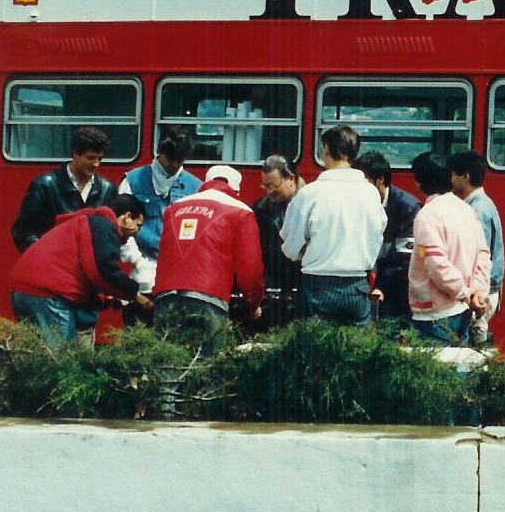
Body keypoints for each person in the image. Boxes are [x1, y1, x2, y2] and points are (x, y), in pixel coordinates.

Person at [8, 193, 151, 347]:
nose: (137, 232)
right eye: (138, 225)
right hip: (47, 293)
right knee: (61, 361)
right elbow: (103, 271)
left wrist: (105, 298)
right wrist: (135, 294)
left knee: (36, 356)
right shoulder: (104, 225)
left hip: (24, 290)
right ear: (127, 217)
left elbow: (86, 272)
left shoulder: (89, 222)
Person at [280, 126, 386, 326]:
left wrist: (303, 251)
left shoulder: (310, 193)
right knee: (355, 351)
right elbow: (377, 237)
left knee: (315, 352)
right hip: (357, 284)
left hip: (317, 284)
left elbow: (290, 242)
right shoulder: (370, 193)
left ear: (326, 149)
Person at [153, 165, 264, 353]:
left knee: (168, 365)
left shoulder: (174, 208)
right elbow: (250, 269)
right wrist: (253, 304)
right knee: (207, 369)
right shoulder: (241, 210)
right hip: (209, 298)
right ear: (236, 190)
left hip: (166, 296)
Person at [118, 128, 201, 325]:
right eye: (170, 159)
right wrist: (137, 261)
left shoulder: (196, 187)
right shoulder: (132, 181)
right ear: (160, 153)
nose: (174, 165)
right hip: (143, 276)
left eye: (180, 161)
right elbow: (120, 228)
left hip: (180, 279)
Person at [407, 151, 490, 346]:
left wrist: (464, 293)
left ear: (419, 183)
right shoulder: (466, 209)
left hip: (436, 313)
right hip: (462, 309)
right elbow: (483, 255)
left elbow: (436, 264)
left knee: (436, 373)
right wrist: (476, 291)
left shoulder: (427, 215)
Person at [11, 126, 116, 253]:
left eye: (99, 158)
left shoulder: (108, 189)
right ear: (75, 154)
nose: (96, 164)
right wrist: (46, 256)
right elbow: (24, 232)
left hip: (90, 268)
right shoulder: (44, 186)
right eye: (90, 158)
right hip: (52, 265)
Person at [355, 150, 421, 324]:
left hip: (396, 286)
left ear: (381, 179)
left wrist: (382, 287)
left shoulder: (407, 207)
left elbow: (404, 257)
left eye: (365, 182)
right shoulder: (358, 204)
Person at [449, 150, 505, 345]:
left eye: (453, 174)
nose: (451, 179)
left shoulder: (476, 210)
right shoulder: (481, 204)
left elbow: (477, 257)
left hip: (480, 293)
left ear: (465, 176)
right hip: (485, 291)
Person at [253, 154, 304, 329]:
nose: (268, 191)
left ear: (291, 179)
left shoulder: (311, 204)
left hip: (304, 285)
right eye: (265, 185)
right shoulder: (259, 209)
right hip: (272, 287)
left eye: (273, 186)